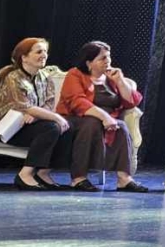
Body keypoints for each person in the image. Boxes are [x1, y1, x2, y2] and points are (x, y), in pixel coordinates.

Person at [56, 40, 148, 192]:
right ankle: (78, 178)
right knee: (92, 122)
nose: (108, 61)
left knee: (121, 126)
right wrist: (105, 117)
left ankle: (124, 179)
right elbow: (77, 102)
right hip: (75, 118)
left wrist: (120, 81)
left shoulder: (111, 78)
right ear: (89, 63)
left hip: (105, 120)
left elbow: (132, 102)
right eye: (102, 58)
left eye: (108, 56)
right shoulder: (75, 74)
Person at [0, 37, 71, 190]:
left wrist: (36, 116)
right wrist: (54, 117)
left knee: (68, 127)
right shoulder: (13, 78)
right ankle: (25, 174)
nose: (43, 55)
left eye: (45, 51)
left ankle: (43, 173)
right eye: (38, 52)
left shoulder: (45, 77)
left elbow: (48, 104)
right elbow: (24, 106)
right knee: (52, 126)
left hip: (31, 124)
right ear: (24, 57)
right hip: (9, 129)